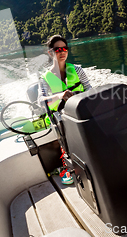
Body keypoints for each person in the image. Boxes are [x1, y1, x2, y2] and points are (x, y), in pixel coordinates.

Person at [38, 34, 92, 185]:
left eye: (65, 48)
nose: (62, 52)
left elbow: (90, 91)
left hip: (81, 111)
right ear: (50, 53)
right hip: (60, 118)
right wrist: (59, 96)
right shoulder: (45, 78)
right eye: (58, 49)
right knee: (65, 129)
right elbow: (41, 102)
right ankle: (67, 165)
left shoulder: (78, 70)